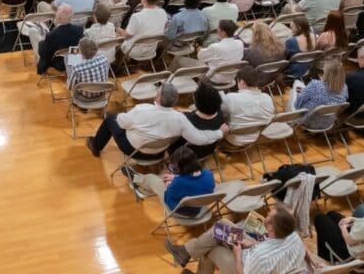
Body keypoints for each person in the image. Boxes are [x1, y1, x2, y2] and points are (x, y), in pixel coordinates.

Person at [88, 82, 226, 158]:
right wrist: (220, 133)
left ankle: (96, 145)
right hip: (159, 153)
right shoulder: (180, 118)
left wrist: (123, 117)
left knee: (111, 119)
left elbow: (122, 123)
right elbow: (199, 138)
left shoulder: (142, 109)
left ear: (158, 98)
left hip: (134, 150)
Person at [165, 203, 306, 274]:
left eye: (268, 216)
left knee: (212, 248)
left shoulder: (261, 255)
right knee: (222, 225)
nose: (265, 216)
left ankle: (186, 253)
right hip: (256, 253)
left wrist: (238, 255)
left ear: (270, 228)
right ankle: (185, 251)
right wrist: (253, 242)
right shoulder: (294, 237)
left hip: (243, 266)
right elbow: (271, 245)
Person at [124, 144, 214, 208]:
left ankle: (135, 179)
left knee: (152, 178)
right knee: (164, 177)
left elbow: (168, 198)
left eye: (174, 167)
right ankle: (142, 190)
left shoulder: (179, 183)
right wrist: (176, 178)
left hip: (179, 210)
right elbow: (192, 182)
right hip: (198, 208)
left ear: (180, 167)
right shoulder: (209, 175)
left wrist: (169, 185)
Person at [220, 67, 275, 146]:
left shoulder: (231, 98)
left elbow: (218, 112)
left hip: (232, 138)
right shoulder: (268, 99)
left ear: (242, 82)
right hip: (254, 136)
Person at [293, 58, 348, 130]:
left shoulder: (315, 84)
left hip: (307, 121)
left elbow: (297, 105)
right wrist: (307, 90)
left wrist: (304, 92)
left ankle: (289, 121)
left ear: (326, 73)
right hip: (328, 122)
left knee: (296, 85)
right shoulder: (344, 87)